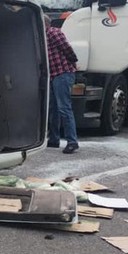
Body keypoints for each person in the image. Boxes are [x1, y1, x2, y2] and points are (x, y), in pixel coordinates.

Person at [44, 14, 79, 154]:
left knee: (64, 107)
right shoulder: (42, 36)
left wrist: (73, 61)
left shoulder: (53, 32)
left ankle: (72, 141)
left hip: (62, 72)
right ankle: (54, 139)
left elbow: (67, 49)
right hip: (53, 75)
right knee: (53, 108)